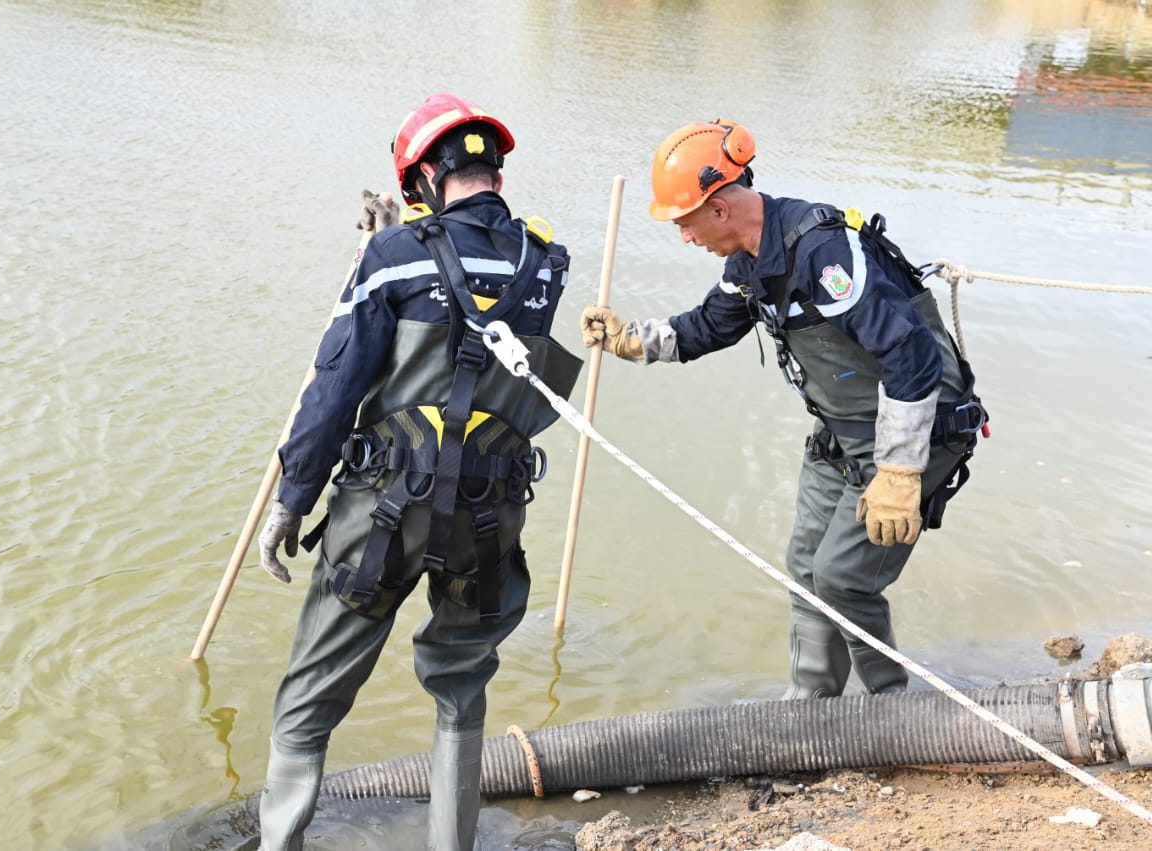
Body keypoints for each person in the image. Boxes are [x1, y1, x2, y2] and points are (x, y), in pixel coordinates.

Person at [255, 92, 581, 851]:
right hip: (488, 514)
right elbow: (484, 321)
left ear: (428, 175)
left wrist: (290, 503)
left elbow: (333, 389)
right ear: (491, 168)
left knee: (311, 692)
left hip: (383, 514)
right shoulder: (548, 261)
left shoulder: (389, 257)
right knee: (461, 688)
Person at [581, 119, 986, 700]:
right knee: (804, 570)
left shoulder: (822, 254)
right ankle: (809, 711)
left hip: (919, 432)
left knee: (843, 578)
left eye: (686, 223)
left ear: (719, 208)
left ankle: (893, 710)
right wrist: (631, 340)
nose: (684, 238)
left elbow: (911, 353)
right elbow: (708, 328)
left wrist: (900, 473)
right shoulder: (749, 262)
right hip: (843, 435)